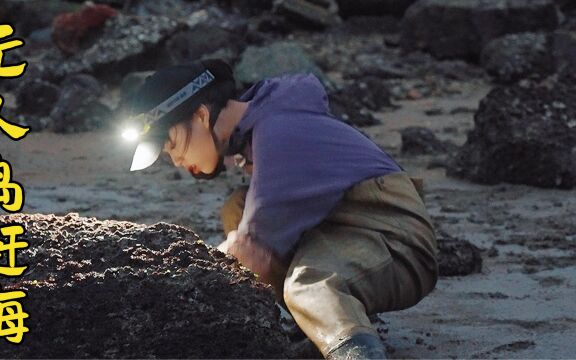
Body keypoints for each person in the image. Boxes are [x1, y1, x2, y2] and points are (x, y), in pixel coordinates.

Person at [126, 59, 439, 359]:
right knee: (236, 207)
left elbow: (249, 249)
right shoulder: (263, 127)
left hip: (396, 236)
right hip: (347, 226)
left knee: (308, 286)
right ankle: (318, 324)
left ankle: (354, 349)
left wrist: (174, 290)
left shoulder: (278, 131)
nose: (177, 161)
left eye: (171, 145)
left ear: (201, 116)